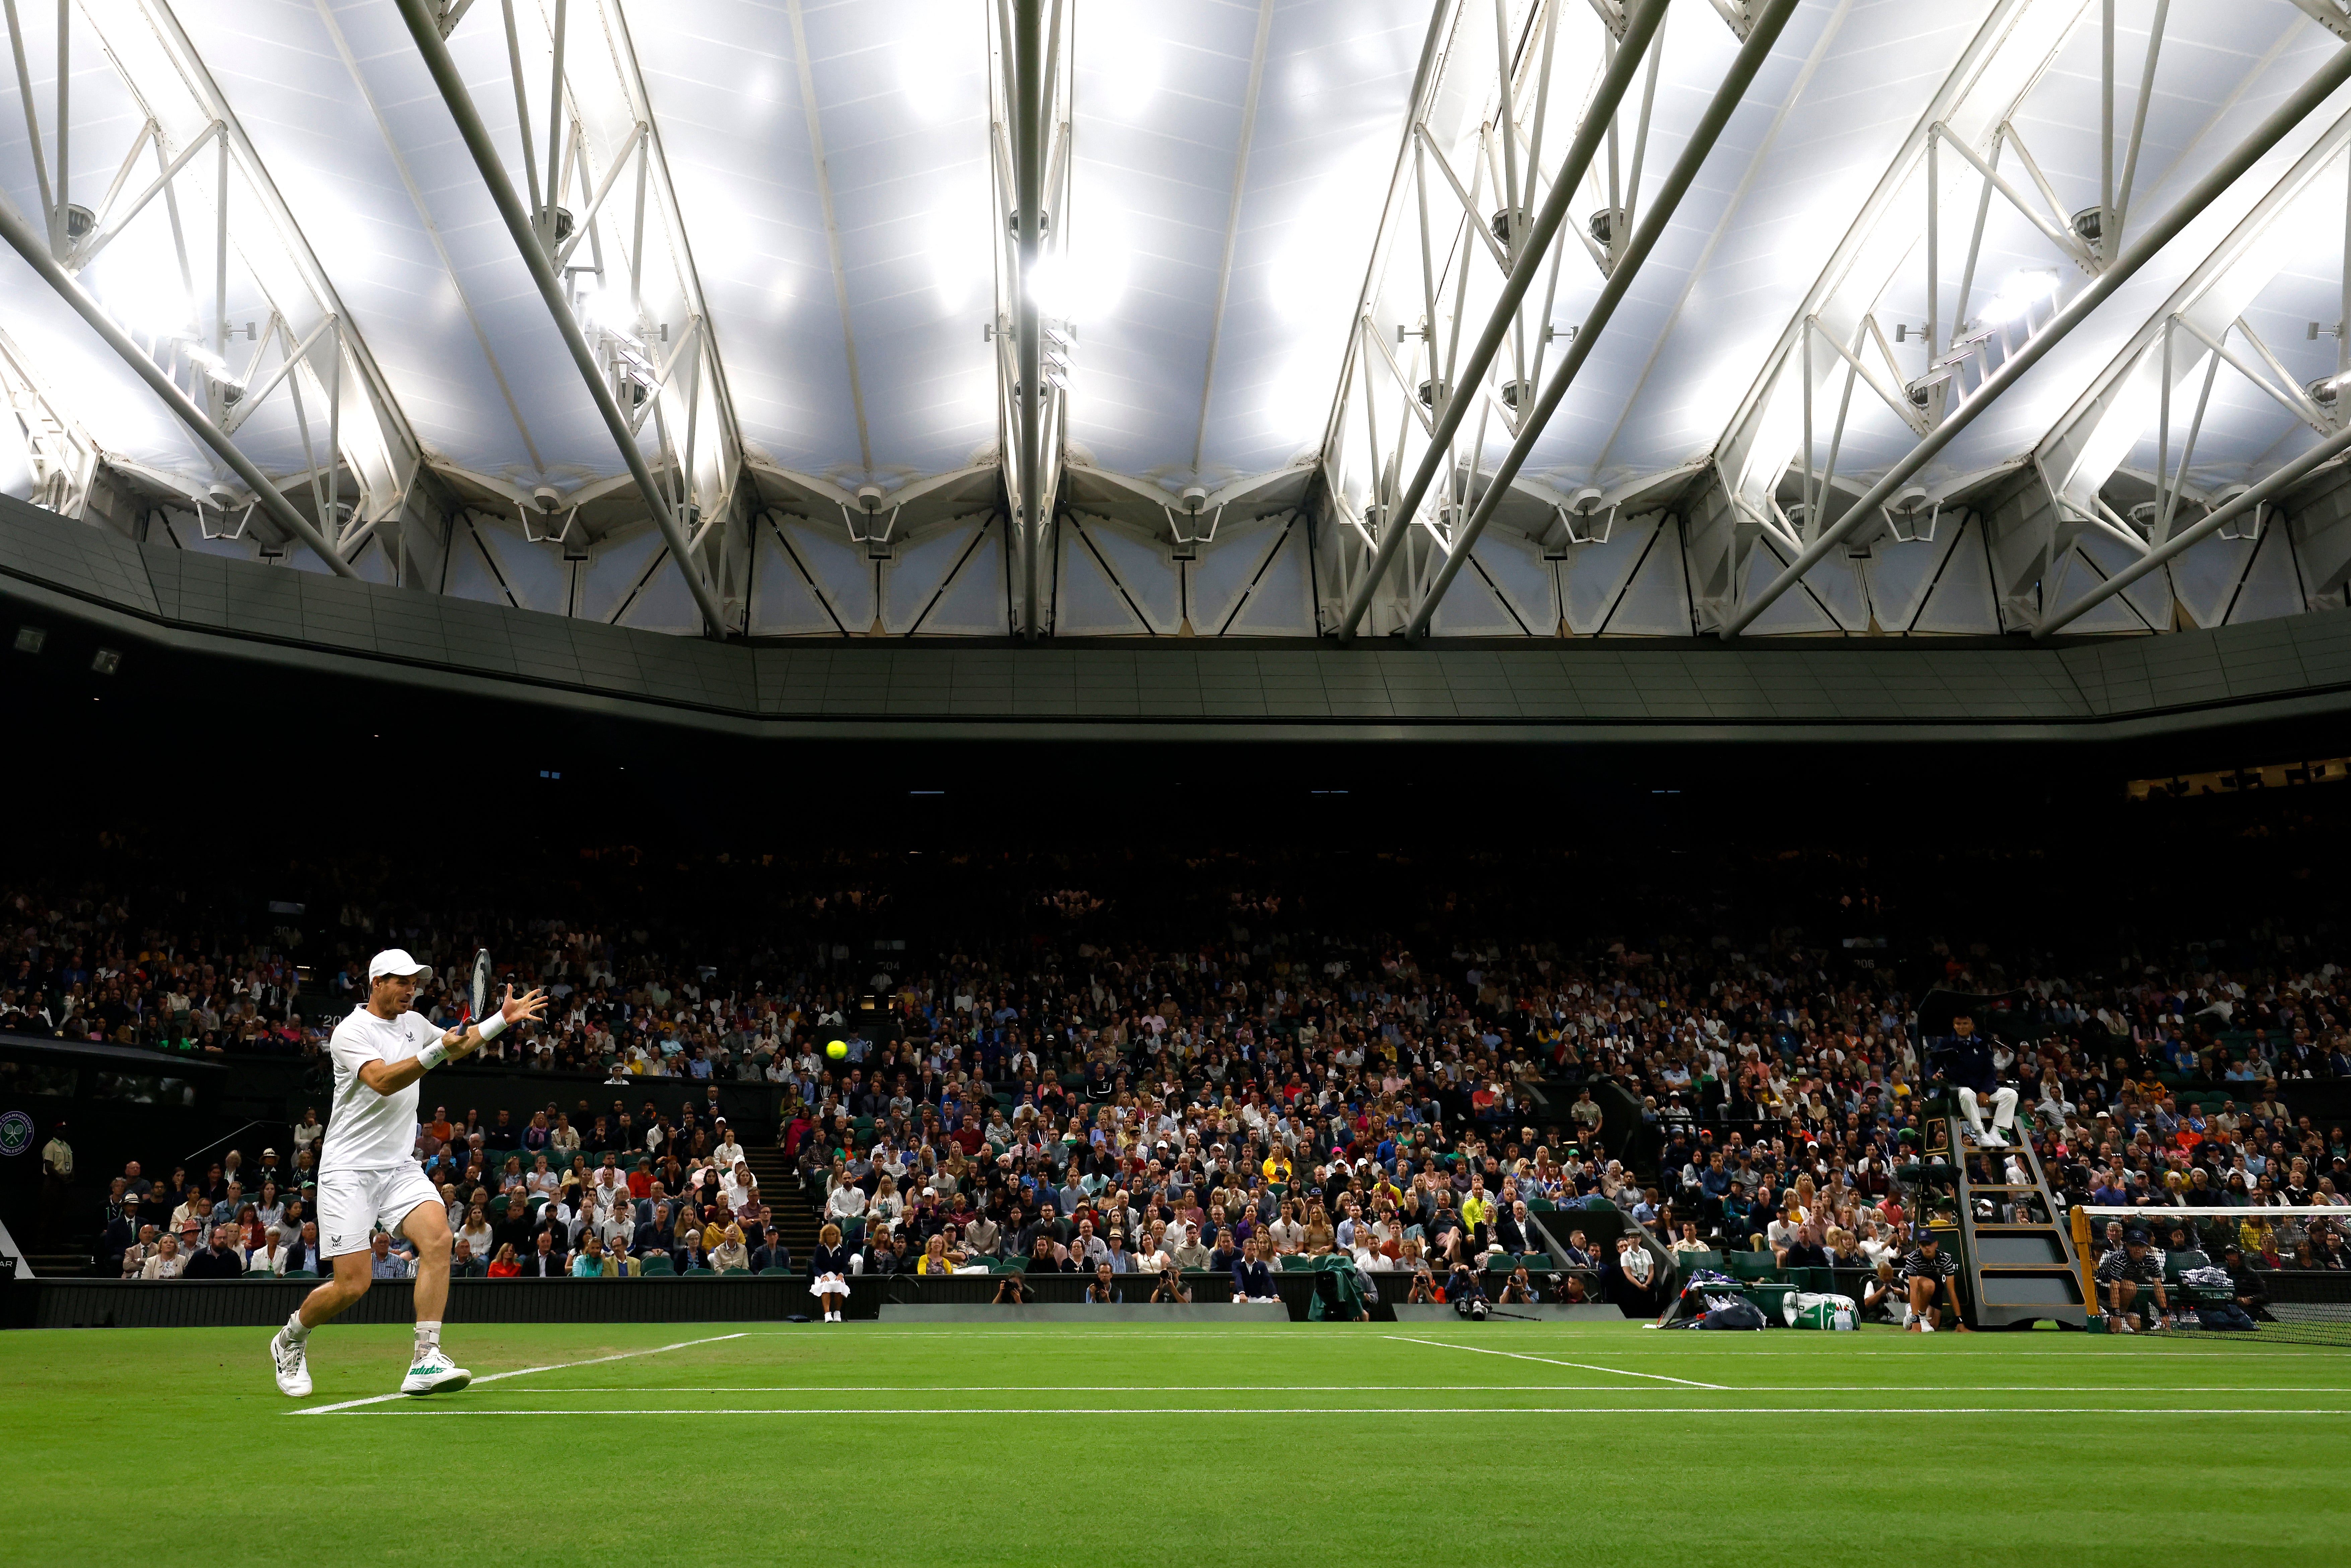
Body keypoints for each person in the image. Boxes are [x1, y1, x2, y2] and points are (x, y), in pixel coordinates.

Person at [268, 949, 548, 1400]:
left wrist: (500, 1019)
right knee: (353, 1284)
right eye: (402, 981)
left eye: (415, 982)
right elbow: (381, 1080)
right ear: (377, 982)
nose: (411, 989)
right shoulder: (350, 1032)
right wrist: (438, 1049)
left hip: (398, 1165)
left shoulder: (415, 1024)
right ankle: (290, 1338)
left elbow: (456, 1044)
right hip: (348, 1171)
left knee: (439, 1238)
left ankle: (424, 1359)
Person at [1933, 1014, 2017, 1148]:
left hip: (1982, 1090)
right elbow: (1931, 1063)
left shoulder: (1982, 1044)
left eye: (1965, 1024)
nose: (1962, 1027)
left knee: (2011, 1094)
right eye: (1958, 1024)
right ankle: (1980, 1133)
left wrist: (1984, 1091)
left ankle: (1995, 1132)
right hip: (1959, 1089)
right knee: (1967, 1094)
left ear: (1972, 1026)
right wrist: (1933, 1074)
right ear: (1954, 1026)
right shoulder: (1946, 1043)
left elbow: (1991, 1072)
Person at [2095, 1227, 2171, 1333]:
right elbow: (2114, 1286)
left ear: (2147, 1248)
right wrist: (2116, 1313)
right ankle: (2115, 1317)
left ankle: (2114, 1319)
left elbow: (2158, 1286)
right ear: (2128, 1246)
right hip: (2102, 1291)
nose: (2138, 1249)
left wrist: (2164, 1314)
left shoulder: (2151, 1261)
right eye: (2134, 1245)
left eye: (2141, 1246)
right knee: (2130, 1286)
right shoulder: (2120, 1259)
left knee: (2137, 1326)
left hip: (2124, 1296)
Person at [1898, 1230, 1967, 1333]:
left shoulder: (1946, 1259)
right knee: (1929, 1285)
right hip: (1916, 1280)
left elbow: (1951, 1291)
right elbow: (1913, 1289)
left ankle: (1910, 1315)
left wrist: (1960, 1321)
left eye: (1929, 1244)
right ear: (1919, 1246)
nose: (1927, 1248)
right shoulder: (1913, 1258)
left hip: (1936, 1283)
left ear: (1936, 1244)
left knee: (1933, 1327)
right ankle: (1918, 1316)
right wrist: (1917, 1321)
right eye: (1923, 1245)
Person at [809, 1222, 852, 1322]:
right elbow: (815, 1266)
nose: (832, 1237)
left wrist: (841, 1275)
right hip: (822, 1276)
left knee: (839, 1285)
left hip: (837, 1276)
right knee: (826, 1286)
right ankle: (827, 1314)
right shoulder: (819, 1249)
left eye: (834, 1234)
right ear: (825, 1236)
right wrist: (822, 1276)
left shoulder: (842, 1249)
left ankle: (837, 1312)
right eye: (829, 1234)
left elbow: (845, 1266)